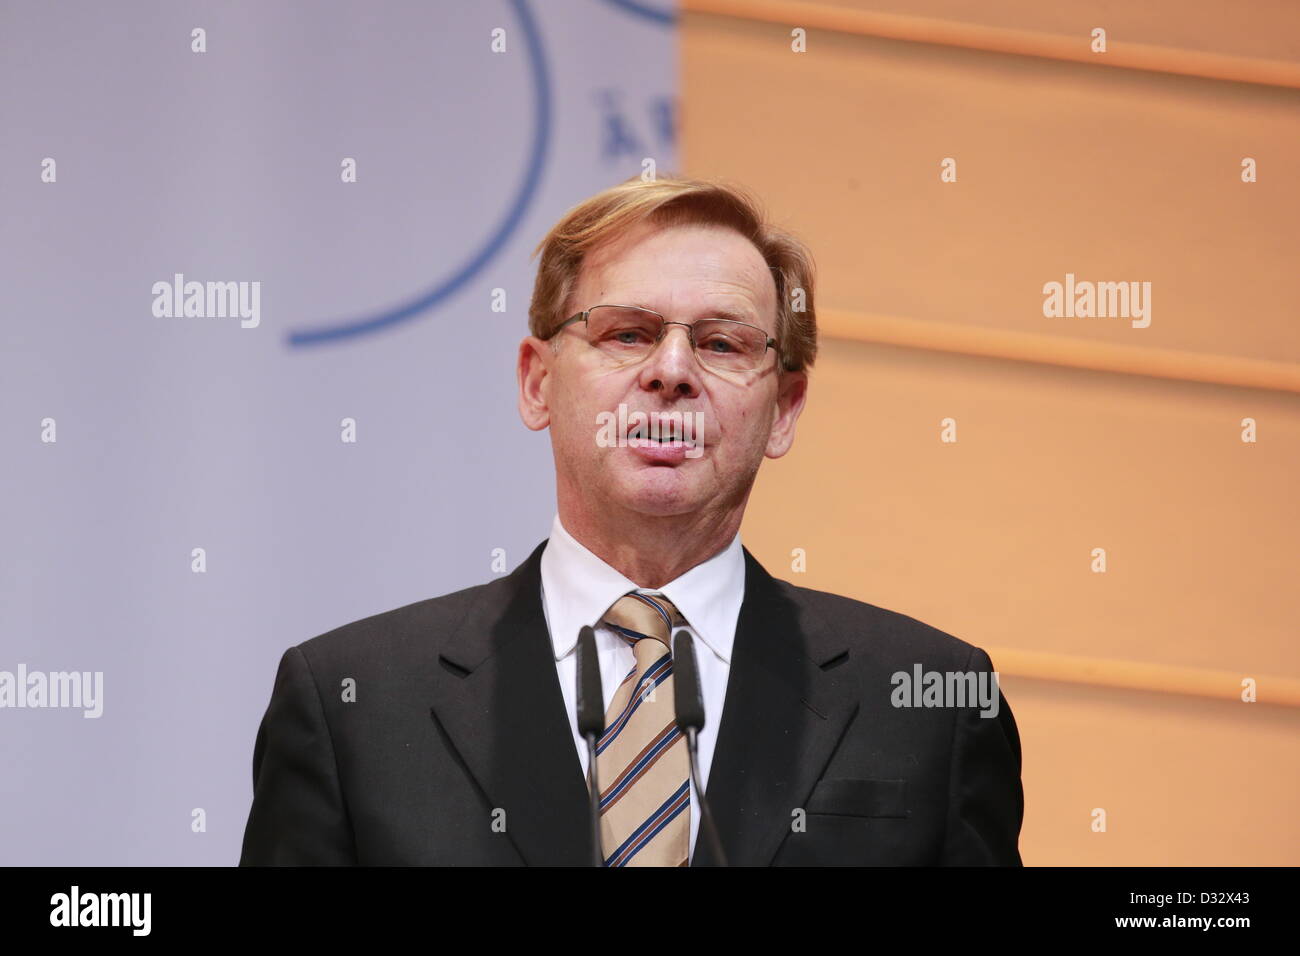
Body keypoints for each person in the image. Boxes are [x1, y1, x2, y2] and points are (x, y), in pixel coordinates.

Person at [238, 174, 1024, 866]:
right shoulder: (354, 703)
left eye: (722, 343)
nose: (672, 372)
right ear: (537, 383)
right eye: (627, 334)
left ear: (783, 409)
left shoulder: (929, 705)